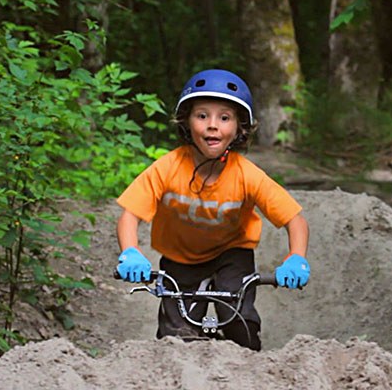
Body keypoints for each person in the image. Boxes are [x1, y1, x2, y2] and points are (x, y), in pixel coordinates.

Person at [115, 69, 310, 351]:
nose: (212, 125)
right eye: (202, 115)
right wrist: (130, 251)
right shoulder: (168, 167)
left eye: (225, 117)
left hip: (232, 254)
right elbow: (129, 214)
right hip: (179, 257)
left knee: (240, 324)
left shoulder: (247, 175)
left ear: (240, 128)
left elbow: (295, 220)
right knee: (175, 338)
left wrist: (297, 257)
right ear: (186, 122)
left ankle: (248, 367)